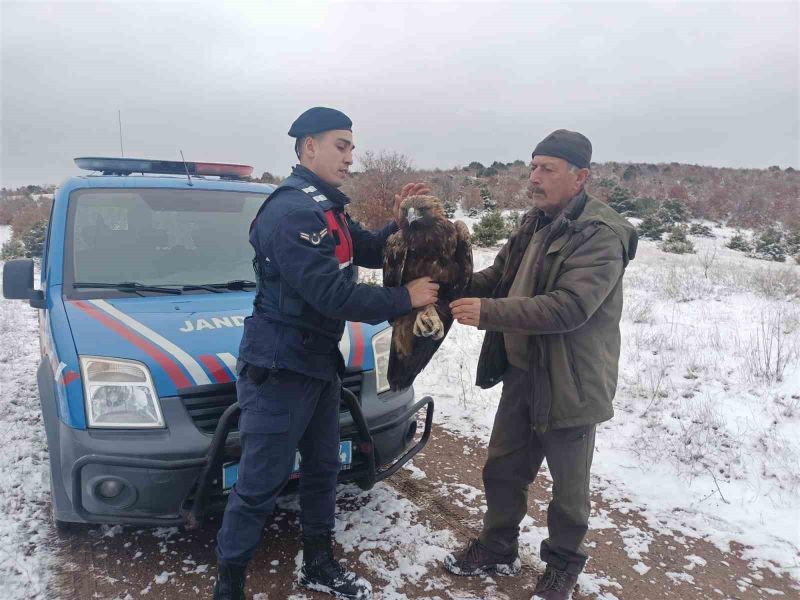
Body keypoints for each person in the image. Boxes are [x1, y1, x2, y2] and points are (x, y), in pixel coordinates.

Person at [213, 107, 438, 600]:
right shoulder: (290, 211)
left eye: (352, 147)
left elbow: (370, 250)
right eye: (342, 146)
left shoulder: (326, 207)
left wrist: (402, 222)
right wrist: (406, 298)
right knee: (259, 484)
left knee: (322, 470)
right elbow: (331, 295)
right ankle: (228, 585)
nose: (351, 158)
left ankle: (318, 564)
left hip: (316, 364)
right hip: (279, 368)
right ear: (307, 146)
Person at [445, 130, 637, 599]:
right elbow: (501, 276)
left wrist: (489, 312)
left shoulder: (600, 234)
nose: (535, 177)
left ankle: (562, 567)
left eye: (547, 169)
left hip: (571, 381)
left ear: (580, 177)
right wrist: (451, 284)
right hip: (522, 372)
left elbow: (570, 307)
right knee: (503, 468)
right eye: (532, 167)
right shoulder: (535, 222)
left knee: (569, 492)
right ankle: (496, 547)